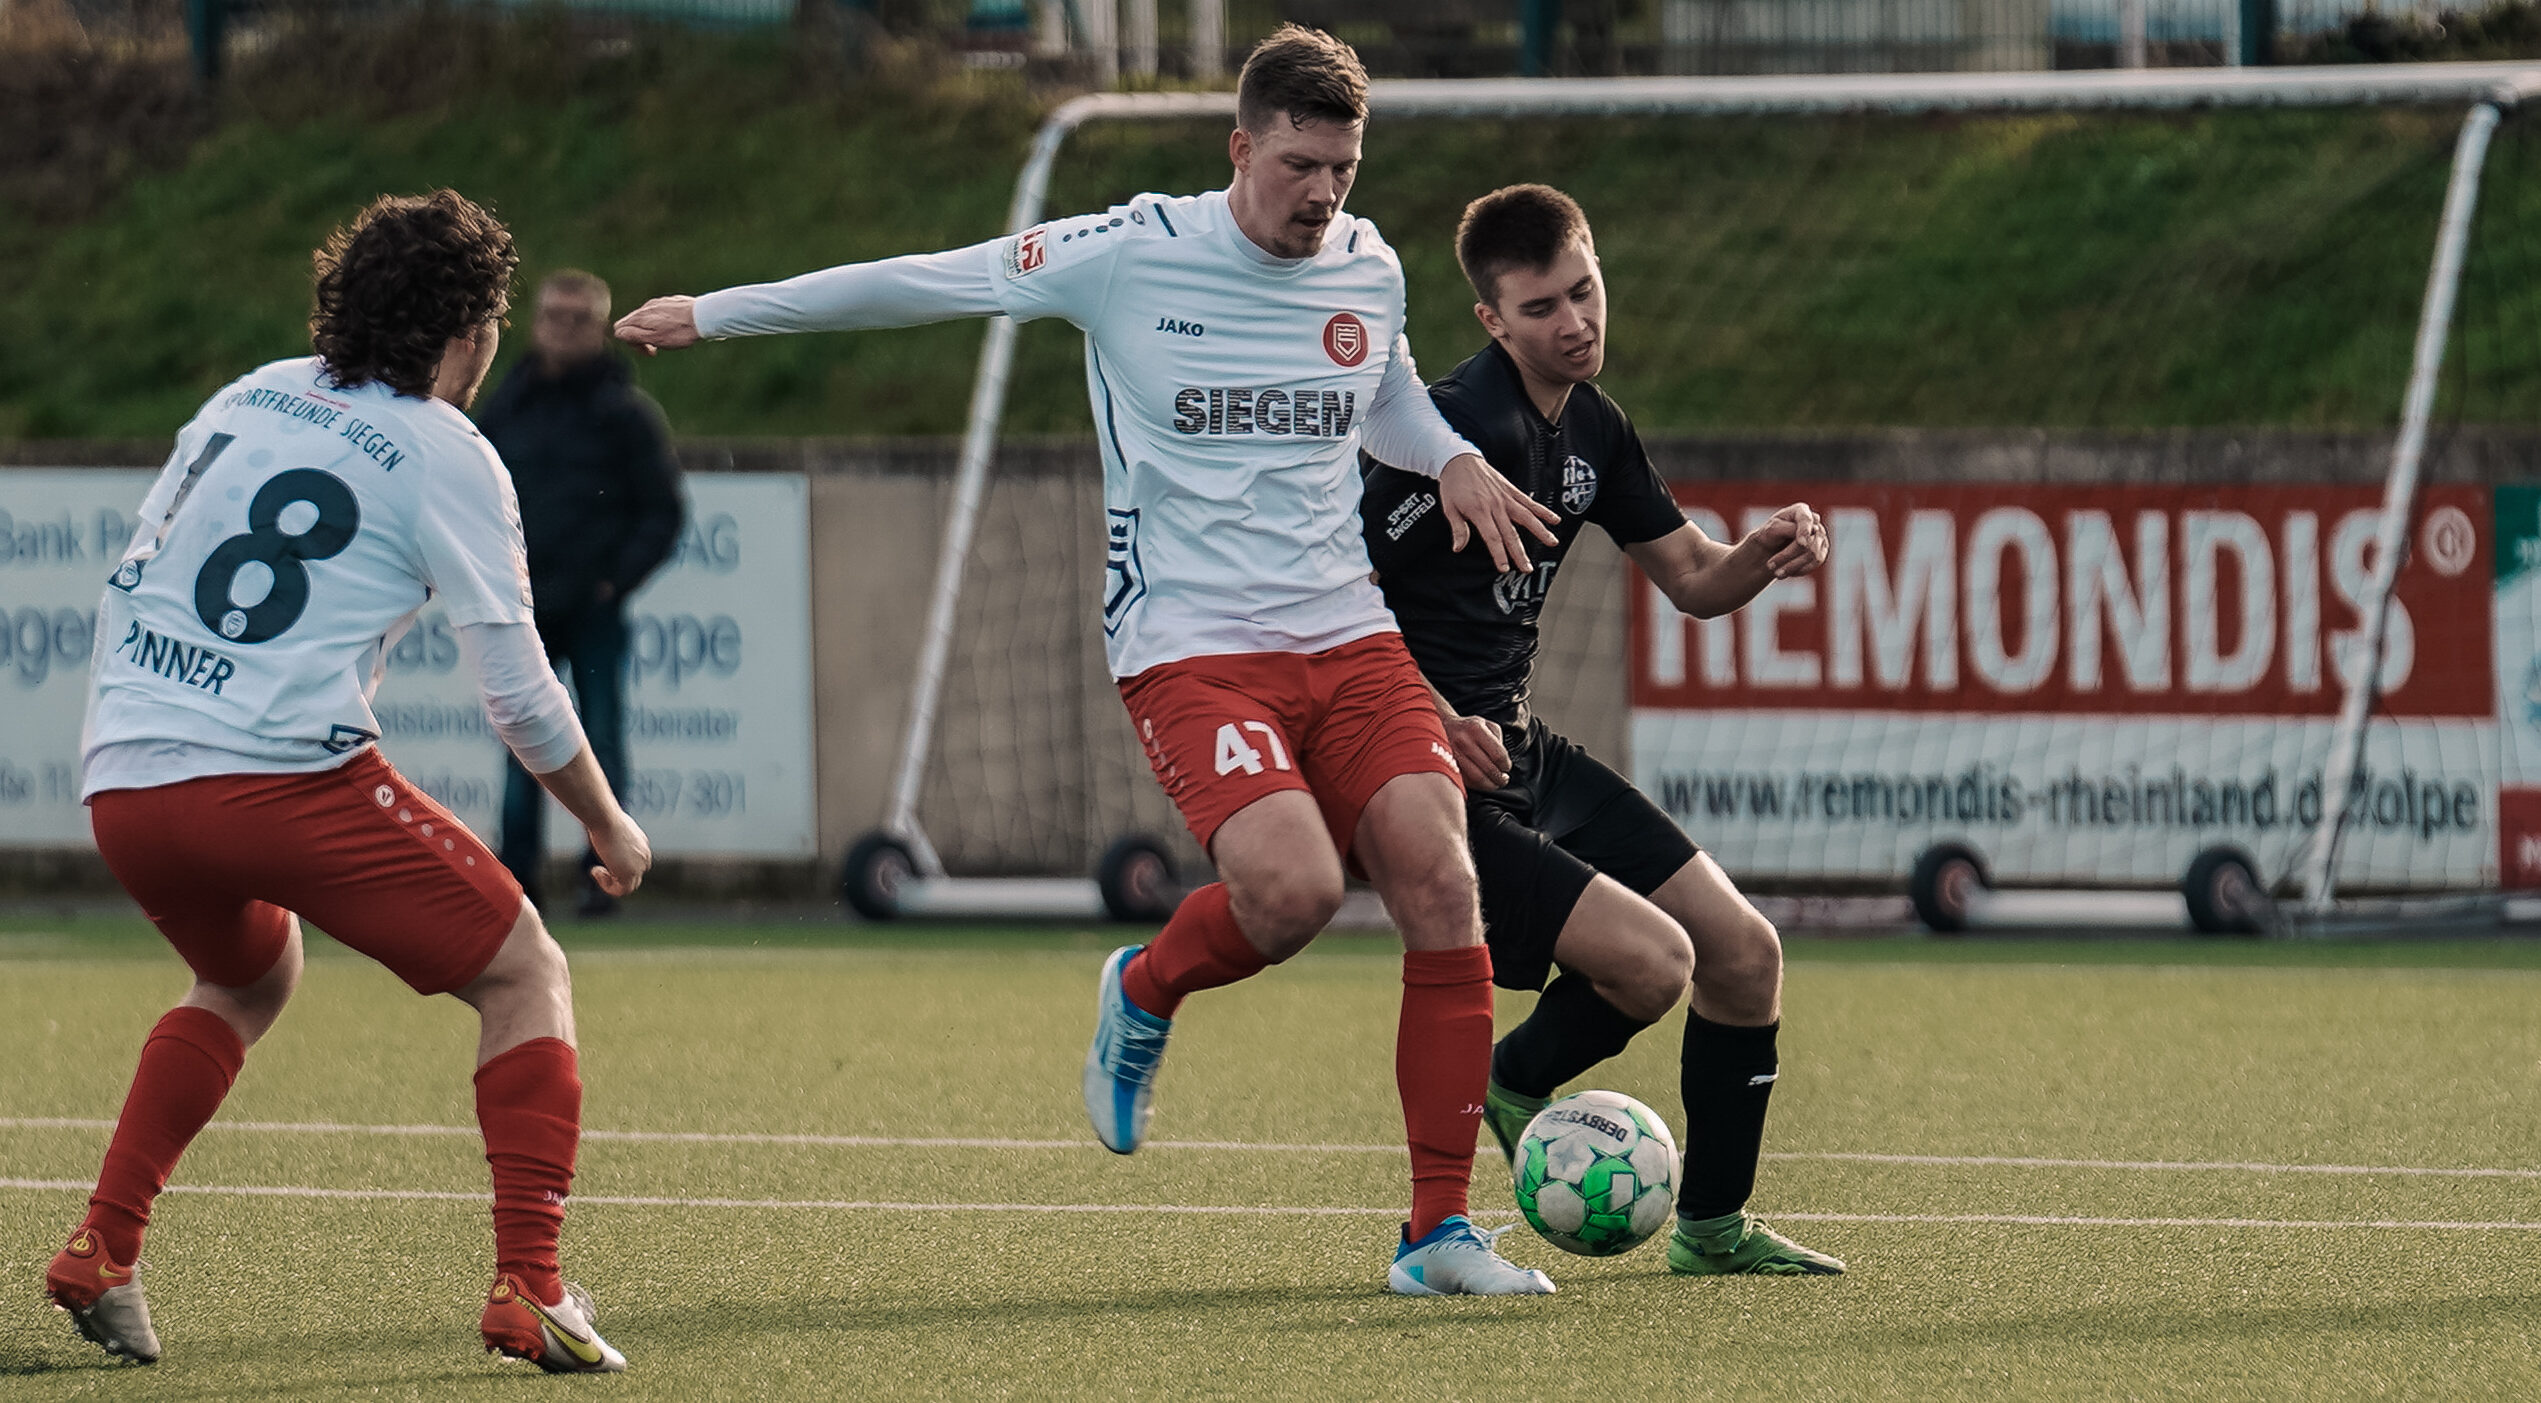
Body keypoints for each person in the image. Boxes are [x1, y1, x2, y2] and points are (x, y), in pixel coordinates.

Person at [616, 26, 1566, 1295]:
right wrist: (719, 313)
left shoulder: (1368, 261)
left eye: (1343, 166)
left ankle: (1437, 1231)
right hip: (1189, 643)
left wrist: (1447, 453)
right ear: (1240, 148)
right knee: (1285, 893)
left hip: (1347, 630)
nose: (1323, 193)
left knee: (1442, 886)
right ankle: (1146, 984)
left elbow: (1381, 391)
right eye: (1298, 164)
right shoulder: (1130, 252)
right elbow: (930, 278)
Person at [45, 190, 648, 1370]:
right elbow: (520, 692)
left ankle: (104, 1245)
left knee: (249, 972)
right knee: (528, 970)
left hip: (123, 773)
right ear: (470, 333)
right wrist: (610, 822)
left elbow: (137, 572)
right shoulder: (445, 446)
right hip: (275, 780)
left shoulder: (244, 394)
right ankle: (531, 1283)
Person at [1360, 183, 1845, 1276]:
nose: (1576, 322)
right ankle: (1508, 1078)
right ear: (1491, 320)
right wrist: (1432, 713)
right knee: (1654, 963)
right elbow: (1329, 595)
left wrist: (1761, 554)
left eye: (1585, 290)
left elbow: (1692, 579)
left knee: (1743, 954)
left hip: (1524, 746)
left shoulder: (1595, 425)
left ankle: (1712, 1228)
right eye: (1542, 309)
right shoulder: (1442, 433)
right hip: (1427, 772)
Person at [473, 269, 684, 918]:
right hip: (523, 610)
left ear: (600, 328)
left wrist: (611, 582)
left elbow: (662, 513)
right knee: (521, 746)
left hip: (592, 609)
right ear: (532, 324)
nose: (562, 331)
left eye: (577, 320)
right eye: (551, 317)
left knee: (600, 742)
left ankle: (603, 879)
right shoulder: (506, 406)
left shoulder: (625, 416)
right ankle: (516, 884)